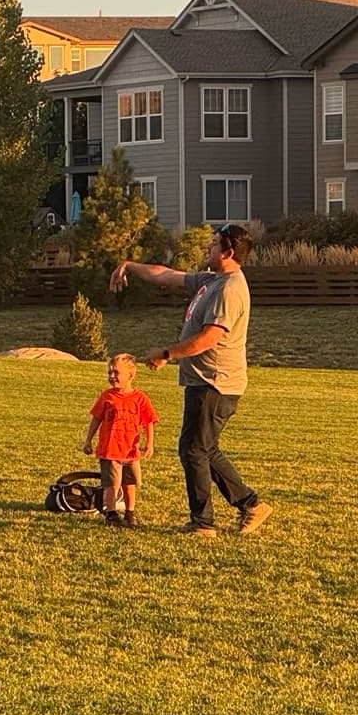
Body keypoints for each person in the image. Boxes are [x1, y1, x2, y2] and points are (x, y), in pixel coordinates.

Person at [109, 224, 271, 539]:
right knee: (201, 449)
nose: (209, 247)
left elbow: (209, 338)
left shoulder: (229, 289)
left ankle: (204, 523)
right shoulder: (211, 280)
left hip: (215, 383)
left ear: (228, 252)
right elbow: (167, 275)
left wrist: (167, 353)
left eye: (215, 244)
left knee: (195, 450)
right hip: (203, 382)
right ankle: (249, 505)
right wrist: (129, 265)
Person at [81, 353, 157, 528]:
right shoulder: (107, 396)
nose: (112, 376)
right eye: (110, 373)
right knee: (112, 484)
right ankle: (111, 513)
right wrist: (88, 440)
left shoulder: (140, 398)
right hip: (110, 450)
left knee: (130, 483)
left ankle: (130, 513)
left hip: (131, 451)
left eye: (116, 372)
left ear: (131, 375)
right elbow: (96, 419)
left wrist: (149, 443)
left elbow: (148, 422)